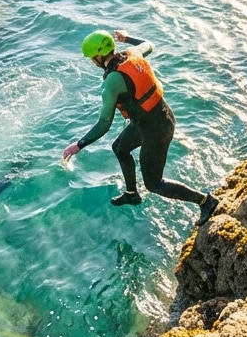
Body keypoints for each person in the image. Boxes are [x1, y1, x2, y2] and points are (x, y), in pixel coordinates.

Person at [63, 29, 218, 225]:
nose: (92, 62)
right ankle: (132, 194)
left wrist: (79, 144)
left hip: (157, 130)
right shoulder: (132, 54)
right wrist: (127, 38)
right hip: (156, 118)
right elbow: (148, 43)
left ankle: (205, 201)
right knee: (120, 148)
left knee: (154, 184)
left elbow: (104, 123)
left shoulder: (111, 82)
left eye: (92, 58)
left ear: (98, 57)